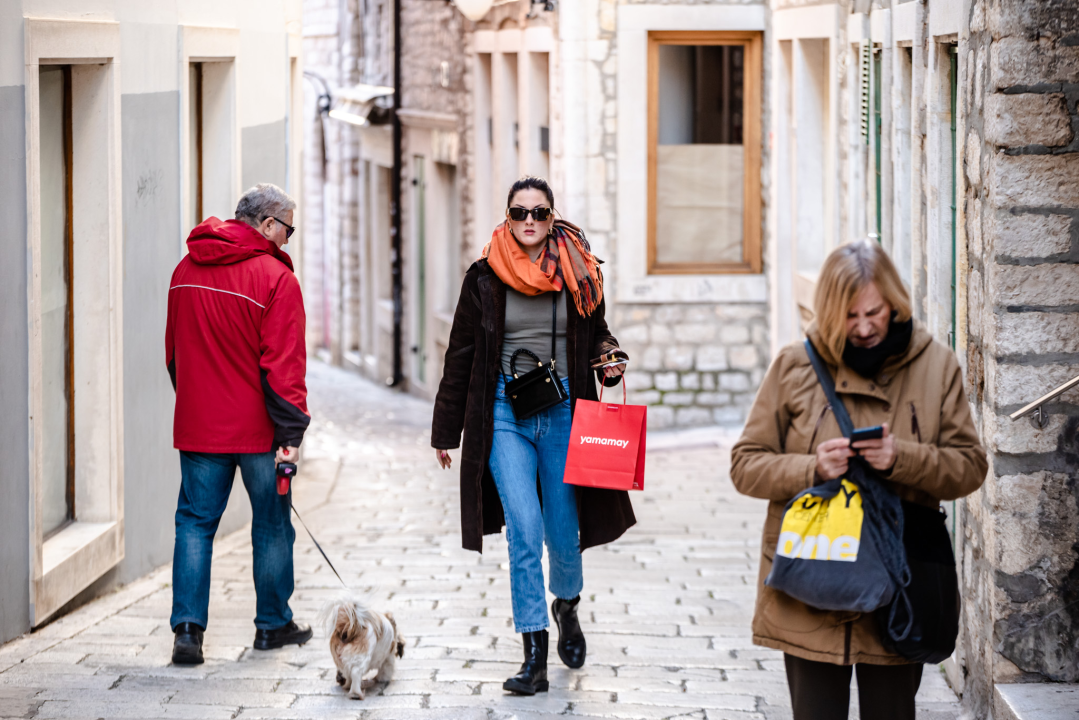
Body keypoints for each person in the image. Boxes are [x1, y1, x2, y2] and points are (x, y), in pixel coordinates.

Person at [730, 240, 988, 720]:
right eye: (850, 316)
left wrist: (901, 458)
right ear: (828, 311)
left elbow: (970, 467)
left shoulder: (937, 365)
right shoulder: (794, 366)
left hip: (899, 588)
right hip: (811, 584)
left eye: (875, 311)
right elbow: (745, 464)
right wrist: (811, 468)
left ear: (894, 301)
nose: (865, 327)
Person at [431, 176, 636, 695]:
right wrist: (444, 430)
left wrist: (608, 359)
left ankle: (566, 603)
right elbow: (459, 355)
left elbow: (598, 331)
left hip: (566, 410)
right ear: (506, 216)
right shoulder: (483, 277)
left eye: (539, 213)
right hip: (504, 412)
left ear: (551, 217)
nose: (529, 222)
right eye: (519, 213)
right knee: (524, 530)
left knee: (563, 534)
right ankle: (534, 656)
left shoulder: (578, 270)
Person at [165, 183, 312, 665]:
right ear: (268, 225)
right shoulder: (275, 279)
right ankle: (272, 625)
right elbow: (284, 367)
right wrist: (290, 437)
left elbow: (173, 355)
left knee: (194, 524)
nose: (289, 240)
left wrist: (195, 402)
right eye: (288, 229)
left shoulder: (185, 269)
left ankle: (188, 631)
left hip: (200, 427)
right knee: (271, 526)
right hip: (259, 435)